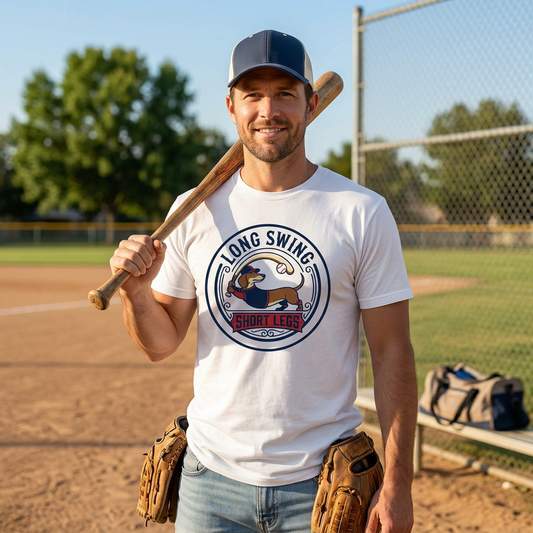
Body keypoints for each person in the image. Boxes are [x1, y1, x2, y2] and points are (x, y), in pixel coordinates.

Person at [111, 29, 418, 533]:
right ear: (231, 107)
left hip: (322, 483)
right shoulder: (193, 210)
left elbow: (392, 352)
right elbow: (159, 343)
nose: (267, 110)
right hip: (210, 484)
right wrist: (137, 295)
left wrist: (398, 485)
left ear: (311, 102)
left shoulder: (361, 212)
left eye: (284, 94)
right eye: (252, 95)